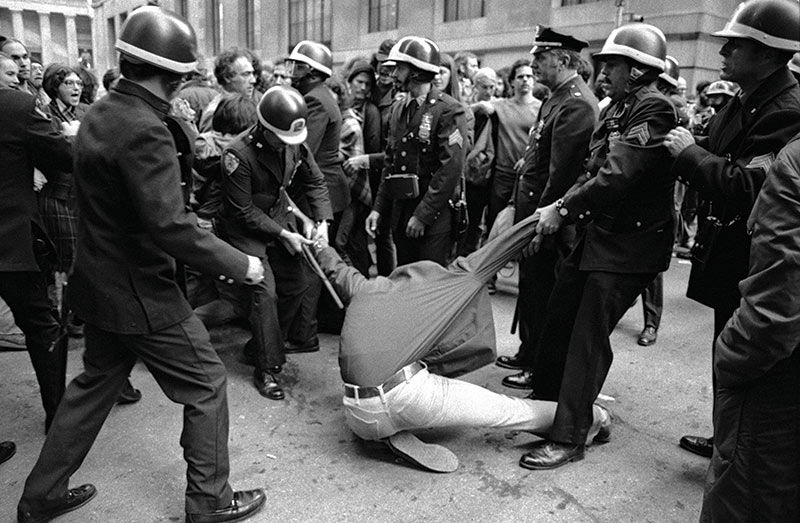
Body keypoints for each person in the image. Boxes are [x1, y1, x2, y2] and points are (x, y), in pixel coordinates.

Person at [16, 7, 268, 523]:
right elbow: (169, 225)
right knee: (205, 384)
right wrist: (239, 264)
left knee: (92, 388)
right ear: (172, 73)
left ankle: (39, 498)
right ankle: (210, 502)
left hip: (99, 281)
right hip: (139, 289)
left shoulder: (101, 113)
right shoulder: (144, 127)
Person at [317, 211, 611, 472]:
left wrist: (318, 242)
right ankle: (596, 416)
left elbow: (335, 268)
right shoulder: (442, 285)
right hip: (402, 397)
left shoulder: (365, 288)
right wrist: (550, 214)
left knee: (404, 365)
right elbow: (501, 247)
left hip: (356, 415)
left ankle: (382, 432)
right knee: (510, 411)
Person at [520, 23, 677, 470]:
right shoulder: (615, 107)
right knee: (559, 318)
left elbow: (618, 175)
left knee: (587, 338)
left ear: (640, 70)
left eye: (614, 65)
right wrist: (562, 206)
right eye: (604, 63)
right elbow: (592, 169)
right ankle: (547, 411)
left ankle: (569, 437)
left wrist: (563, 211)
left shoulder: (654, 110)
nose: (602, 71)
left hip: (631, 246)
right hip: (599, 237)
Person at [663, 0, 800, 460]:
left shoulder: (786, 109)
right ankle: (727, 437)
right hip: (727, 251)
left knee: (748, 361)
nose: (723, 51)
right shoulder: (747, 99)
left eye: (735, 45)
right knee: (726, 350)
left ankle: (736, 449)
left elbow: (748, 185)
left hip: (754, 258)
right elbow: (717, 150)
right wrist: (688, 149)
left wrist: (689, 155)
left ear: (765, 54)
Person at [700, 132, 800, 521]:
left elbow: (777, 307)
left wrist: (730, 356)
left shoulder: (793, 162)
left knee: (752, 498)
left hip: (778, 382)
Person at [216, 85, 333, 400]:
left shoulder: (292, 142)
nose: (286, 146)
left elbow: (315, 179)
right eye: (279, 139)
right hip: (247, 230)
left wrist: (321, 222)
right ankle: (266, 368)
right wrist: (284, 234)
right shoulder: (236, 155)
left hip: (279, 219)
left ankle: (261, 345)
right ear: (263, 129)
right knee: (264, 293)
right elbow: (243, 211)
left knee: (297, 284)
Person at [498, 27, 599, 390]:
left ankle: (540, 367)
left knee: (546, 295)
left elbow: (562, 175)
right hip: (534, 212)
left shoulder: (576, 103)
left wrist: (540, 224)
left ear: (563, 59)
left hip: (549, 218)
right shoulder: (556, 97)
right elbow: (540, 158)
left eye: (541, 57)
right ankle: (529, 351)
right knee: (532, 289)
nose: (534, 62)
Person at [0, 50, 73, 437]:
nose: (18, 77)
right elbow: (62, 156)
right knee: (42, 326)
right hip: (11, 244)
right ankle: (58, 419)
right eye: (10, 71)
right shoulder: (18, 105)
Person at [365, 36, 468, 266]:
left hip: (433, 218)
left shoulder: (449, 111)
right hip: (402, 213)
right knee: (405, 281)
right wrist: (378, 209)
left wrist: (423, 215)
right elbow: (390, 164)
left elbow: (449, 170)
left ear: (415, 71)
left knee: (428, 286)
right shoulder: (399, 108)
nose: (393, 75)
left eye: (399, 68)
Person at [287, 39, 349, 341]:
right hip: (327, 188)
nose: (292, 72)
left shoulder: (314, 100)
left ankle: (304, 333)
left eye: (297, 66)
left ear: (310, 71)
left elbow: (303, 150)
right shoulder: (319, 95)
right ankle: (321, 322)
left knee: (310, 263)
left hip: (318, 191)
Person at [471, 59, 542, 292]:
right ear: (511, 82)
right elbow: (470, 110)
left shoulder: (541, 107)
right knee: (495, 224)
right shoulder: (500, 105)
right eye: (521, 76)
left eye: (530, 76)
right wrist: (480, 107)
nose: (526, 80)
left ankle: (527, 279)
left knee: (527, 226)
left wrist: (530, 160)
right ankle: (489, 276)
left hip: (529, 175)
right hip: (503, 174)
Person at [198, 47, 258, 132]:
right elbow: (210, 144)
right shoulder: (215, 112)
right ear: (227, 77)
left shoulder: (251, 105)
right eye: (246, 74)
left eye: (252, 73)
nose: (253, 80)